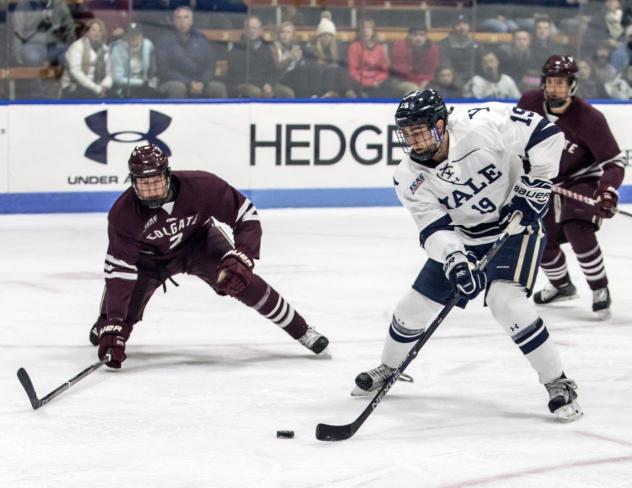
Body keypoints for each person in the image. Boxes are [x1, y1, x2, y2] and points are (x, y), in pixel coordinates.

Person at [353, 89, 583, 422]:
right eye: (408, 134)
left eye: (420, 131)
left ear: (441, 123)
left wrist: (537, 182)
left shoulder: (483, 123)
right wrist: (456, 260)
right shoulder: (408, 177)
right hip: (463, 237)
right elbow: (433, 229)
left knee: (507, 302)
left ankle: (557, 382)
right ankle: (390, 368)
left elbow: (547, 134)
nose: (414, 141)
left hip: (515, 229)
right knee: (411, 310)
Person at [89, 144, 330, 368]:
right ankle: (106, 325)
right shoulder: (123, 214)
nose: (151, 191)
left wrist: (243, 254)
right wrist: (114, 324)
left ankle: (302, 330)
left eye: (156, 181)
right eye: (143, 183)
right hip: (147, 260)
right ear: (132, 182)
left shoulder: (202, 186)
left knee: (241, 280)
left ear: (168, 175)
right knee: (117, 323)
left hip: (199, 243)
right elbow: (120, 270)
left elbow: (246, 215)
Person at [518, 55, 626, 319]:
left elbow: (614, 162)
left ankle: (600, 288)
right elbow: (514, 141)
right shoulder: (529, 104)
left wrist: (607, 191)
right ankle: (561, 285)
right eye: (551, 82)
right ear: (543, 83)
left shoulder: (590, 118)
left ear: (573, 85)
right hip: (542, 181)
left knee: (577, 227)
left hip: (581, 179)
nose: (555, 88)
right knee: (540, 237)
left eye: (562, 83)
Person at [155, 6, 227, 99]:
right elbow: (163, 70)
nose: (182, 21)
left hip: (199, 82)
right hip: (173, 82)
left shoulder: (201, 39)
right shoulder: (164, 40)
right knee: (178, 88)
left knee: (218, 88)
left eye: (186, 17)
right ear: (174, 21)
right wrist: (188, 83)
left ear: (191, 21)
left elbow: (210, 65)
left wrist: (202, 82)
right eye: (179, 18)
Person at [60, 18, 112, 98]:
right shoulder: (77, 46)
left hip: (97, 87)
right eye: (93, 30)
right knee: (87, 94)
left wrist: (104, 87)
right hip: (74, 86)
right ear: (87, 32)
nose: (97, 33)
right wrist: (96, 89)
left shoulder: (105, 49)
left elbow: (110, 73)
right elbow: (75, 72)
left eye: (100, 30)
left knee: (114, 95)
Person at [109, 22, 159, 98]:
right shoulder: (117, 49)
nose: (134, 37)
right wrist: (142, 83)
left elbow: (153, 71)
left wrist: (151, 83)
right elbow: (117, 79)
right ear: (125, 36)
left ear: (142, 36)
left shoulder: (148, 46)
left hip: (145, 87)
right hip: (124, 88)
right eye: (130, 34)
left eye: (137, 34)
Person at [390, 25, 439, 97]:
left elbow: (431, 70)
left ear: (426, 37)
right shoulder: (400, 46)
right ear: (409, 36)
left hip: (424, 81)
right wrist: (420, 84)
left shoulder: (432, 48)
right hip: (401, 81)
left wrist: (426, 81)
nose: (418, 38)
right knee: (413, 90)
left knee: (434, 90)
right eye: (415, 35)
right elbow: (402, 71)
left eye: (422, 35)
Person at [347, 18, 390, 97]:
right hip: (359, 83)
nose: (365, 30)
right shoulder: (354, 47)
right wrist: (369, 83)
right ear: (359, 32)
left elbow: (384, 71)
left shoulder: (379, 47)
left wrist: (377, 81)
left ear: (373, 31)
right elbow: (352, 71)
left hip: (377, 83)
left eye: (369, 28)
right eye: (363, 28)